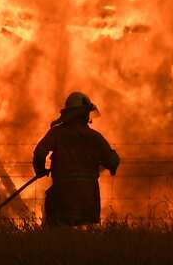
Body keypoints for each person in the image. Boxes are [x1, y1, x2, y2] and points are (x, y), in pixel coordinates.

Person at [32, 92, 121, 227]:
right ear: (84, 115)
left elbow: (39, 153)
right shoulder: (95, 137)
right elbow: (112, 160)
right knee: (84, 240)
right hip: (88, 197)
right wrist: (111, 161)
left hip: (62, 194)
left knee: (58, 237)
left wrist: (40, 170)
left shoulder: (57, 133)